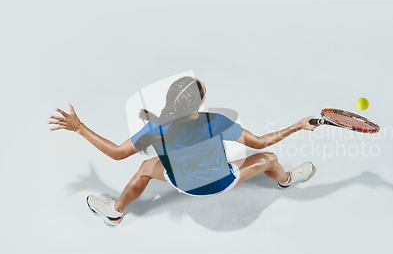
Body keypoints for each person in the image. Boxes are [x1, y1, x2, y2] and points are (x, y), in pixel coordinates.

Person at [48, 76, 319, 226]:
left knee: (144, 169)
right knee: (269, 159)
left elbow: (117, 153)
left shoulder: (155, 127)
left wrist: (79, 127)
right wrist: (297, 125)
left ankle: (115, 211)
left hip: (184, 185)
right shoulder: (216, 121)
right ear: (200, 102)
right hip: (222, 182)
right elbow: (260, 143)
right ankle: (285, 181)